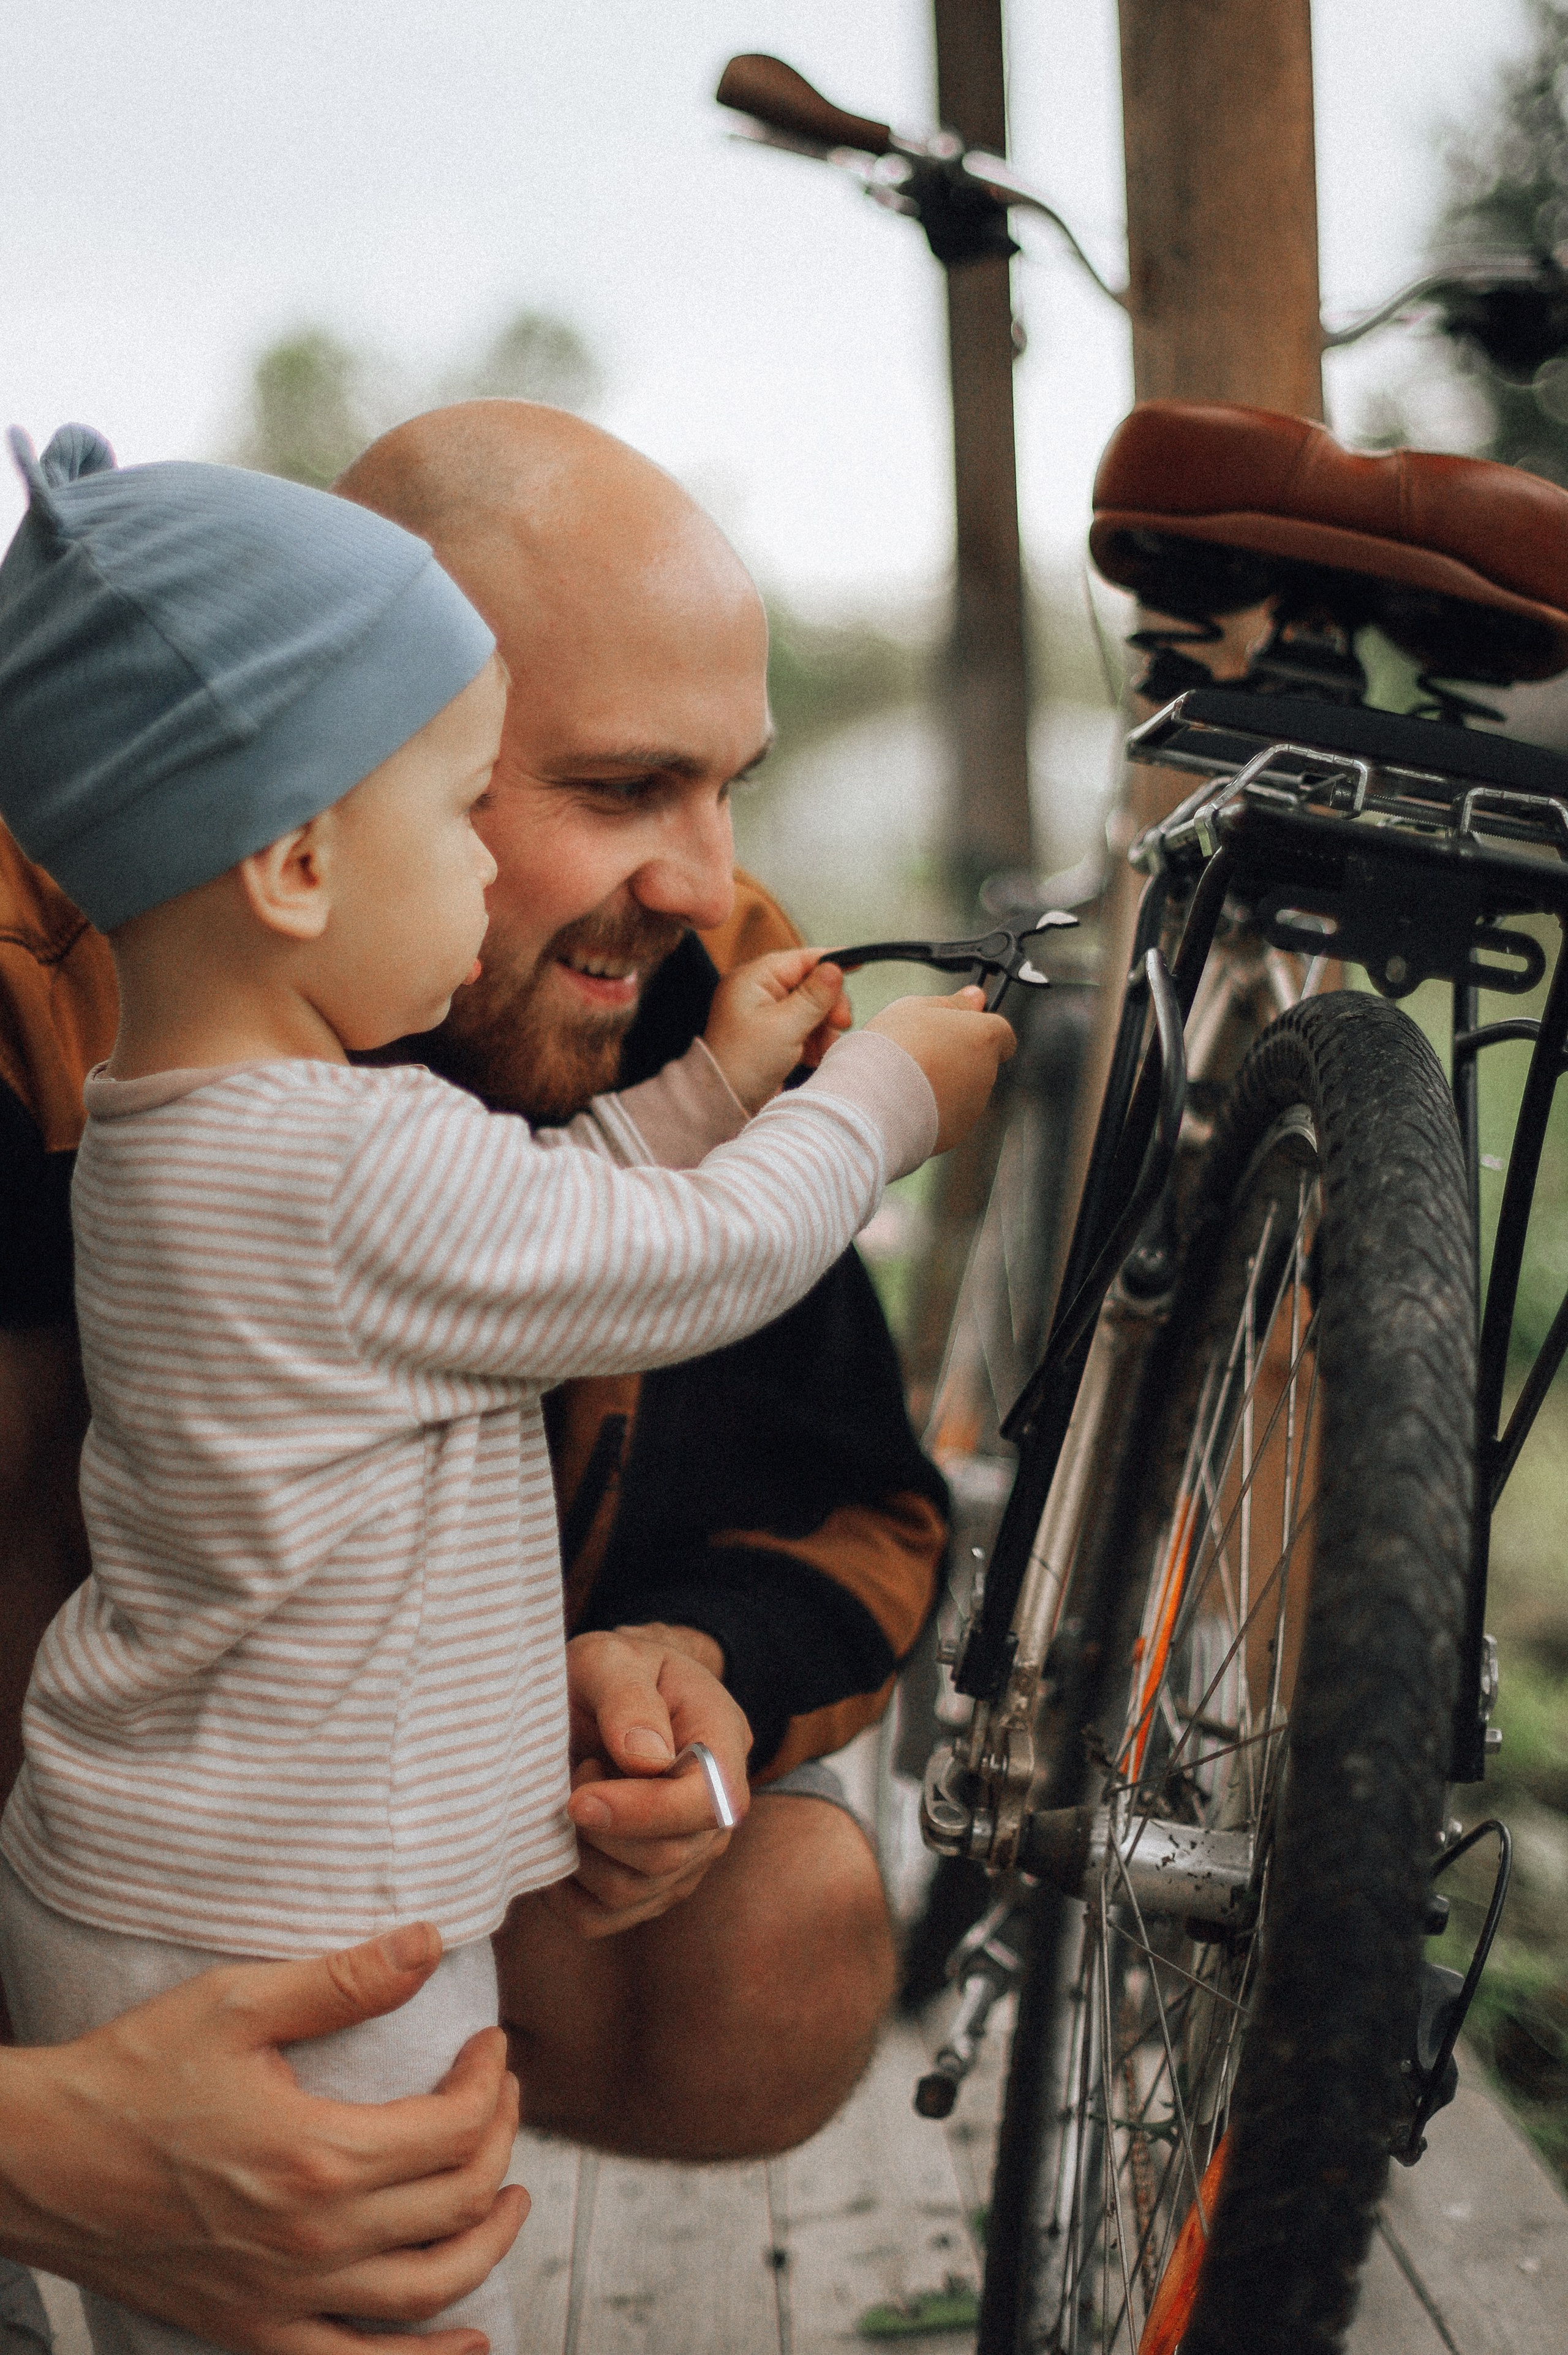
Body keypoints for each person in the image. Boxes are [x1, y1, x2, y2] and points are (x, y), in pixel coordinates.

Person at [0, 423, 1009, 2355]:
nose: (710, 882)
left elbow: (804, 1440)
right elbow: (680, 1245)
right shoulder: (287, 1119)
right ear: (301, 841)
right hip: (294, 1908)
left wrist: (699, 1654)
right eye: (595, 786)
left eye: (733, 789)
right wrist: (879, 1104)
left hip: (162, 1853)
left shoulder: (241, 1080)